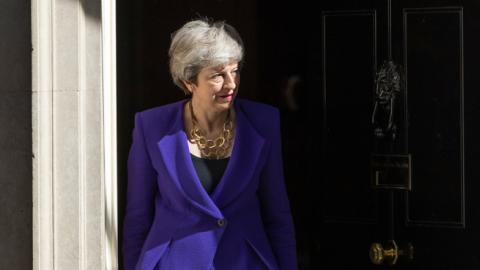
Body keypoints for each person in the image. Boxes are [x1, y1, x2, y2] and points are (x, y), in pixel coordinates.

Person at [123, 18, 297, 270]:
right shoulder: (151, 127)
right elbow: (137, 220)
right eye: (217, 75)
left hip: (245, 263)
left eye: (235, 70)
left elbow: (277, 214)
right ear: (188, 82)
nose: (231, 84)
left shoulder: (264, 122)